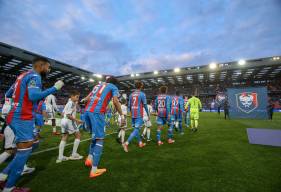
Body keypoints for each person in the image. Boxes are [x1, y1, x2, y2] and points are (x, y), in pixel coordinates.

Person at [0, 57, 64, 192]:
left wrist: (12, 106)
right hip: (22, 117)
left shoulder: (22, 75)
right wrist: (54, 88)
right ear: (41, 65)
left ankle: (3, 175)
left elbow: (8, 93)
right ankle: (9, 187)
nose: (49, 69)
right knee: (25, 150)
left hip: (15, 115)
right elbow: (33, 97)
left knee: (34, 143)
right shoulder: (35, 76)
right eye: (48, 67)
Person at [82, 77, 125, 178]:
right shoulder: (113, 87)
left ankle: (89, 158)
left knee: (94, 137)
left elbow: (86, 99)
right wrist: (122, 115)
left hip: (87, 112)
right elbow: (115, 101)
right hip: (97, 113)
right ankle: (94, 170)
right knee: (100, 139)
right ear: (115, 83)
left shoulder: (97, 85)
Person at [56, 91, 83, 163]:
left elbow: (62, 113)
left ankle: (60, 157)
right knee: (78, 135)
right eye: (77, 97)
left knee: (64, 137)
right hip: (69, 121)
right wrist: (77, 120)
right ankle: (74, 154)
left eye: (78, 97)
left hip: (64, 121)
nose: (78, 98)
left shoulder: (70, 102)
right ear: (72, 96)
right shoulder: (71, 103)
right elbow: (68, 115)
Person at [123, 81, 149, 152]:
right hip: (139, 114)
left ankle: (140, 143)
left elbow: (129, 106)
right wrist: (148, 114)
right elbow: (145, 105)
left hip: (133, 114)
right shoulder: (142, 94)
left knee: (136, 129)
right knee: (136, 130)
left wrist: (130, 113)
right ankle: (126, 143)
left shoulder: (131, 94)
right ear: (141, 86)